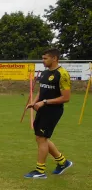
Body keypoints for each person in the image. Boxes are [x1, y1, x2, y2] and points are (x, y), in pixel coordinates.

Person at [24, 48, 73, 179]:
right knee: (41, 137)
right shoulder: (45, 73)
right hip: (42, 108)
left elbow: (66, 98)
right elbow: (42, 91)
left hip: (53, 110)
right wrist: (34, 102)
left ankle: (40, 171)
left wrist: (44, 102)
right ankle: (63, 162)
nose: (43, 60)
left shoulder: (62, 74)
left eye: (45, 58)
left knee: (41, 138)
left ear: (55, 58)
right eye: (43, 58)